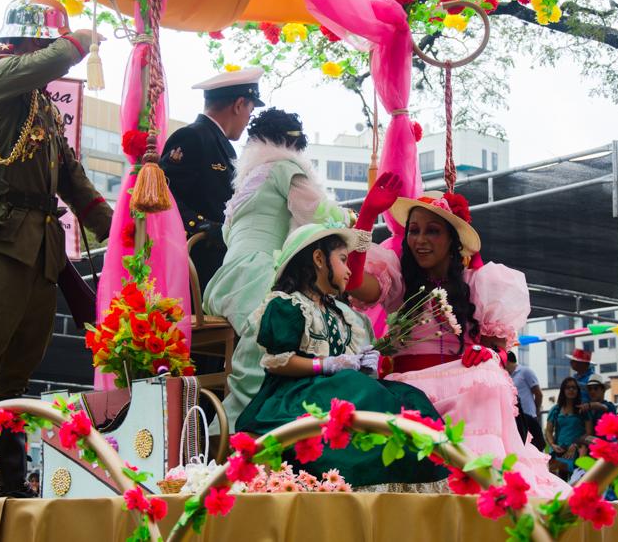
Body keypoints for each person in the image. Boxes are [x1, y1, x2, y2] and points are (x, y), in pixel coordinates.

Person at [0, 0, 113, 500]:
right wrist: (80, 40)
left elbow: (73, 180)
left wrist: (118, 230)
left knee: (16, 376)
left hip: (41, 249)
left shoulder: (39, 104)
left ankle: (10, 486)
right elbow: (55, 60)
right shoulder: (0, 78)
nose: (53, 51)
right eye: (47, 41)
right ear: (30, 41)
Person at [349, 191, 569, 498]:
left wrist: (491, 353)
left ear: (453, 240)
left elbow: (503, 354)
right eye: (414, 231)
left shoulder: (479, 282)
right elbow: (354, 283)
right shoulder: (397, 278)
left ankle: (484, 491)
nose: (420, 240)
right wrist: (367, 219)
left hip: (465, 386)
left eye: (433, 231)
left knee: (488, 381)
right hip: (407, 390)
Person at [235, 223, 447, 489]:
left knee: (410, 397)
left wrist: (363, 364)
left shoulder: (343, 313)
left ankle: (409, 477)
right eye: (344, 260)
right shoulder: (287, 304)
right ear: (319, 259)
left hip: (336, 389)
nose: (349, 270)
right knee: (354, 387)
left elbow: (348, 364)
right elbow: (279, 362)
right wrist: (326, 364)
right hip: (294, 395)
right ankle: (355, 479)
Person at [201, 108, 361, 430]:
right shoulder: (285, 168)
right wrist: (351, 220)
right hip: (257, 272)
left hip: (227, 276)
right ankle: (239, 428)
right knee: (270, 334)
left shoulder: (247, 182)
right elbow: (317, 213)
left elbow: (228, 233)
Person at [160, 67, 265, 294]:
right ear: (238, 105)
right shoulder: (192, 136)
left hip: (215, 263)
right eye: (250, 111)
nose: (249, 120)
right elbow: (163, 194)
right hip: (193, 262)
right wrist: (200, 225)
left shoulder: (221, 146)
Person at [545, 377, 593, 480]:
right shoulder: (556, 410)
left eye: (574, 388)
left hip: (578, 453)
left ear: (577, 390)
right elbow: (548, 431)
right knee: (558, 486)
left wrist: (575, 445)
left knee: (576, 484)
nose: (571, 390)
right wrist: (552, 445)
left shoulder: (583, 409)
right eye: (568, 387)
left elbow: (589, 432)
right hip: (559, 453)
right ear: (563, 390)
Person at [507, 350, 546, 450]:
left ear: (507, 361)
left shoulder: (525, 371)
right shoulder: (507, 376)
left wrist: (536, 410)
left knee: (534, 446)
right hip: (516, 418)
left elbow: (538, 393)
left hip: (529, 416)